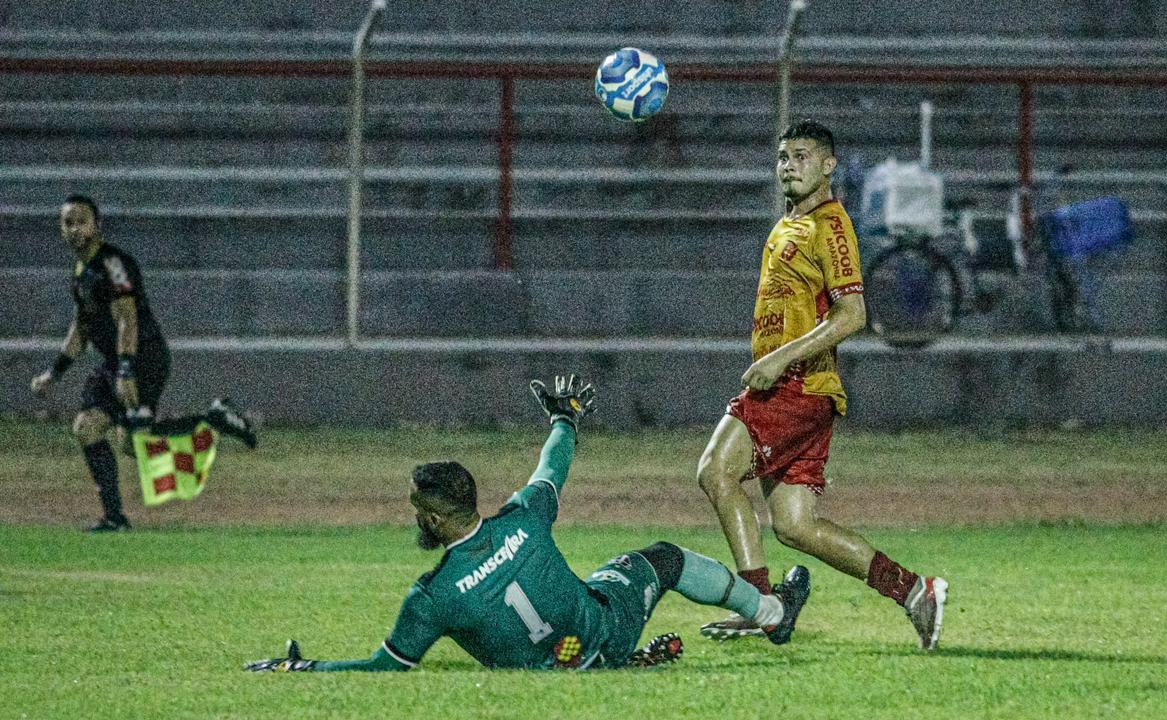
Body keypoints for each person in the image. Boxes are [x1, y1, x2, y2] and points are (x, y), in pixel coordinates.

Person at [244, 375, 811, 673]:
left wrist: (305, 667)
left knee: (595, 582)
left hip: (561, 667)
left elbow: (381, 669)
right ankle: (770, 612)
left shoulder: (432, 596)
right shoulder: (524, 519)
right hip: (605, 639)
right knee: (662, 559)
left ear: (437, 518)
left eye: (417, 507)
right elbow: (553, 463)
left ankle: (767, 614)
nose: (415, 515)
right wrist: (564, 418)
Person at [696, 121, 950, 651]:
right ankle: (914, 592)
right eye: (783, 156)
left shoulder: (830, 227)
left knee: (716, 471)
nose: (789, 165)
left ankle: (759, 605)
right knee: (794, 526)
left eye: (802, 156)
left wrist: (781, 358)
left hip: (794, 385)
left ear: (829, 165)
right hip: (805, 391)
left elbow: (853, 313)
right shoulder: (788, 224)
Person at [29, 194, 258, 532]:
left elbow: (127, 319)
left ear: (97, 225)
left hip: (142, 359)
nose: (74, 228)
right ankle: (114, 518)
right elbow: (81, 327)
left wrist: (126, 370)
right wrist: (55, 373)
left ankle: (214, 419)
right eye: (67, 222)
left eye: (81, 221)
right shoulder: (81, 272)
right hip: (114, 363)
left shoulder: (114, 265)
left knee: (136, 443)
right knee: (90, 430)